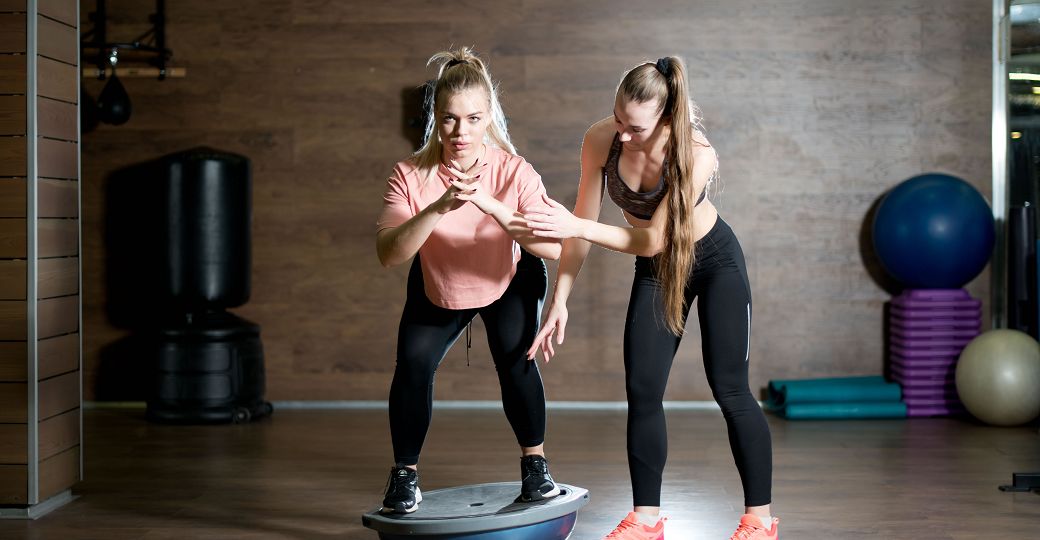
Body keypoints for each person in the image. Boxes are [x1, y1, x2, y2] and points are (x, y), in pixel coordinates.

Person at [524, 57, 778, 540]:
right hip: (659, 272)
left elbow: (651, 239)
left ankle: (759, 522)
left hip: (714, 262)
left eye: (634, 127)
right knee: (642, 391)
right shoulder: (601, 138)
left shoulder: (695, 155)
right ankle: (646, 519)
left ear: (664, 119)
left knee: (731, 390)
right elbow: (580, 224)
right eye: (617, 118)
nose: (620, 134)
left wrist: (577, 227)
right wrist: (561, 298)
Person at [375, 47, 562, 514]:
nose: (461, 132)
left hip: (508, 276)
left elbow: (555, 248)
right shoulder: (410, 174)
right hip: (439, 281)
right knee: (412, 366)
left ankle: (535, 467)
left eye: (473, 119)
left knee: (517, 359)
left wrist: (491, 205)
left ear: (488, 117)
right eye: (449, 119)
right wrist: (440, 206)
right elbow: (389, 254)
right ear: (435, 118)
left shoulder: (513, 170)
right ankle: (404, 476)